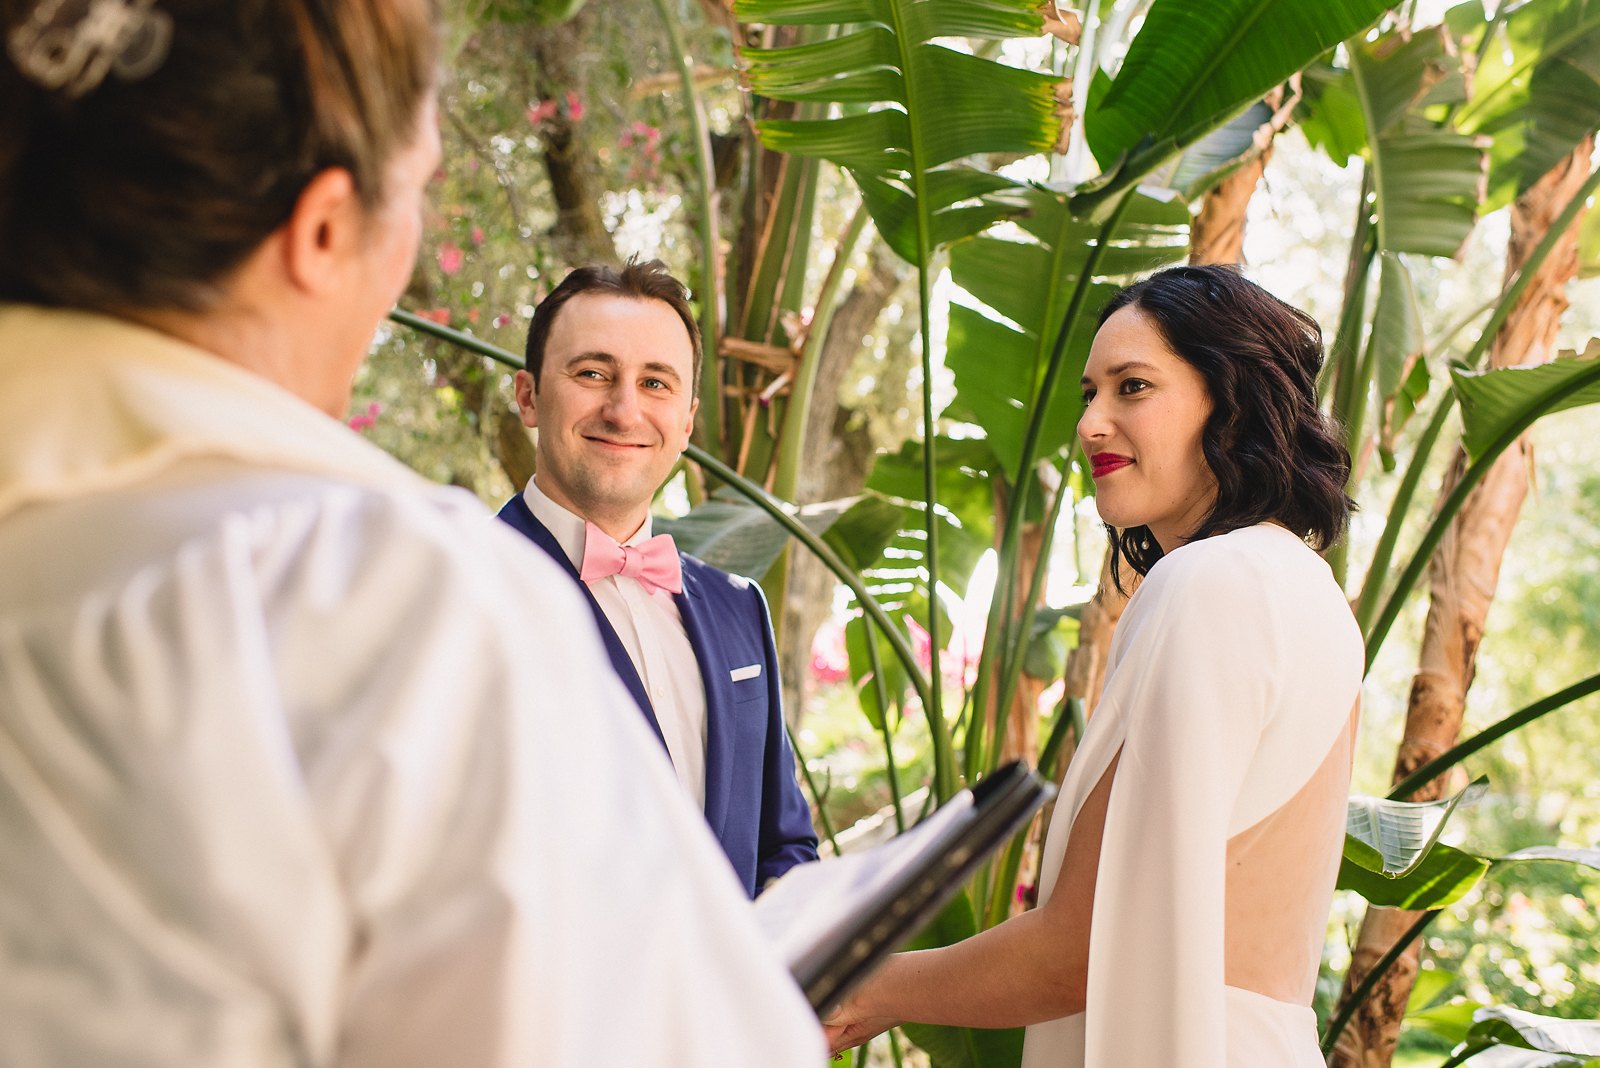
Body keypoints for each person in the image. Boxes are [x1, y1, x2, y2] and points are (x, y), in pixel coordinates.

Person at [0, 2, 824, 1064]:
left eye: (659, 382)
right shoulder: (386, 602)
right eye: (424, 188)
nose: (626, 408)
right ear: (327, 229)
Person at [823, 264, 1363, 1067]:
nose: (1091, 423)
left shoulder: (1209, 584)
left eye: (1132, 388)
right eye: (1088, 394)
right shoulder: (1306, 590)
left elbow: (1080, 948)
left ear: (1232, 397)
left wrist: (862, 988)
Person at [497, 261, 819, 897]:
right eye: (593, 374)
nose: (625, 410)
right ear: (530, 396)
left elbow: (783, 845)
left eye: (656, 383)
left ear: (689, 420)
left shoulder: (739, 610)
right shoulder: (459, 593)